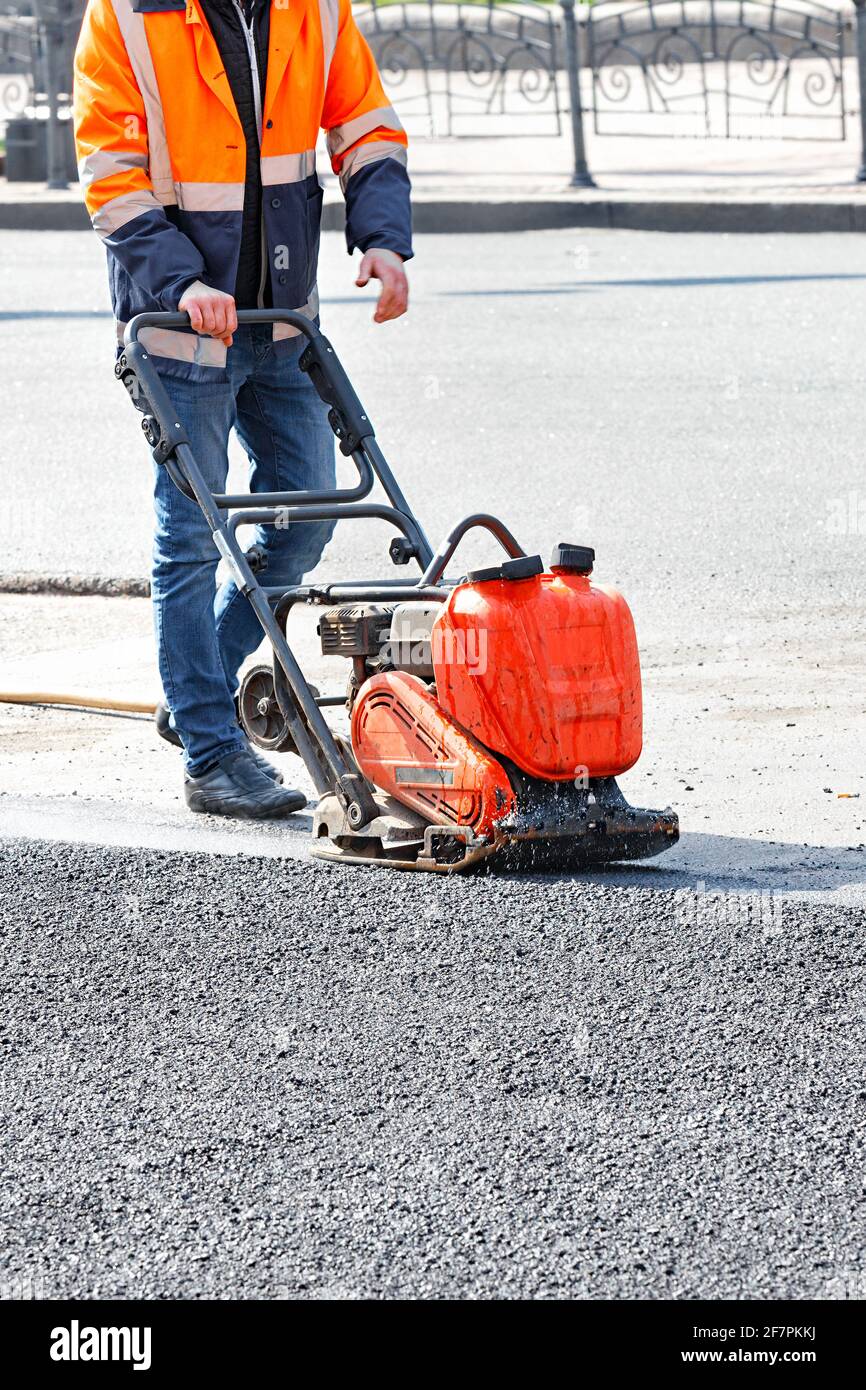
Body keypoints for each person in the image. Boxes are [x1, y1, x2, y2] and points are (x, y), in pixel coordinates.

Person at [73, 0, 411, 818]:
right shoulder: (125, 15)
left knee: (308, 514)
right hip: (180, 328)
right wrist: (181, 280)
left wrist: (383, 238)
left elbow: (366, 125)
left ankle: (198, 691)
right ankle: (211, 753)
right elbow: (109, 172)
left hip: (281, 320)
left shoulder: (314, 9)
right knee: (189, 539)